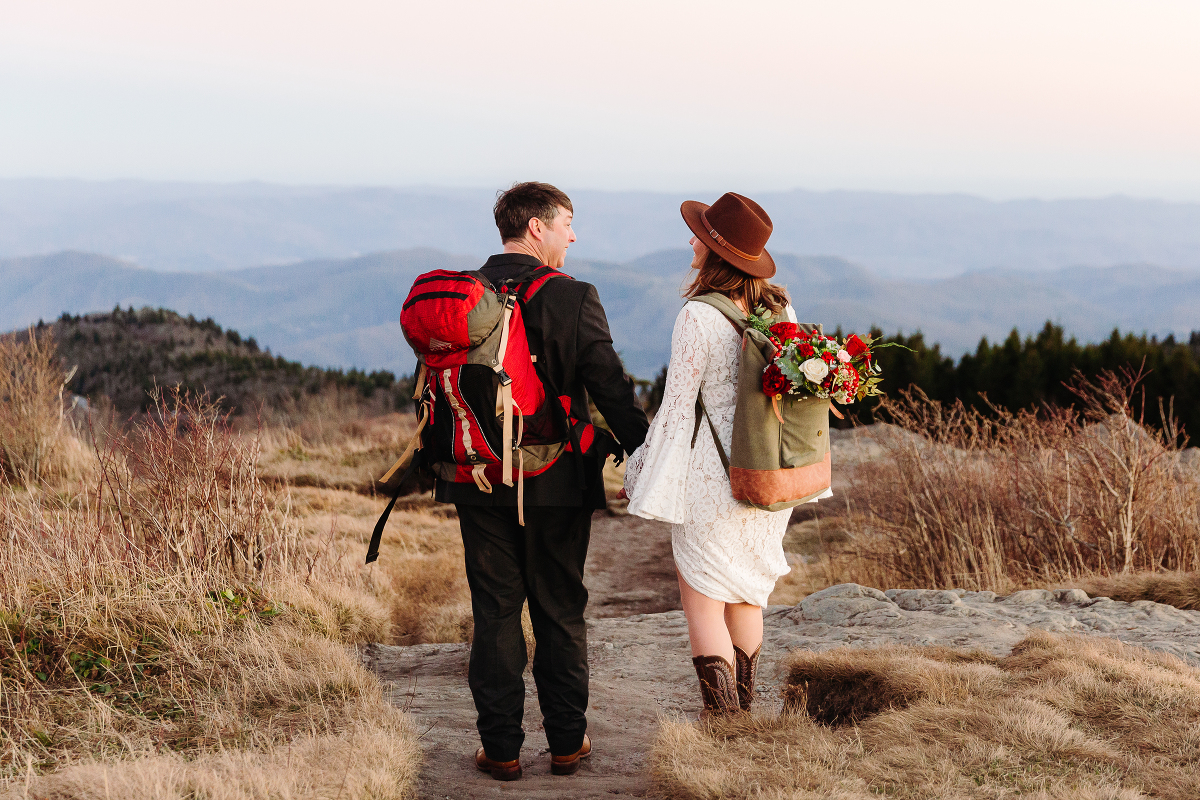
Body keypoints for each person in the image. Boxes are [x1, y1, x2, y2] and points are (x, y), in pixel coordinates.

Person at [445, 181, 650, 780]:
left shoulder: (463, 295)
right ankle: (565, 743)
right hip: (554, 478)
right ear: (536, 228)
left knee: (495, 610)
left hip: (478, 477)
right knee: (559, 609)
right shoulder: (573, 296)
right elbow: (610, 387)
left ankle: (501, 750)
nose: (573, 236)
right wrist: (646, 454)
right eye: (566, 223)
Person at [622, 192, 831, 716]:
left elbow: (675, 410)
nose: (691, 241)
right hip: (764, 475)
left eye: (699, 235)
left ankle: (722, 721)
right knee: (746, 592)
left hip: (711, 480)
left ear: (717, 251)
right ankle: (743, 712)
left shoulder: (697, 316)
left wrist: (640, 469)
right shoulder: (780, 309)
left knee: (703, 602)